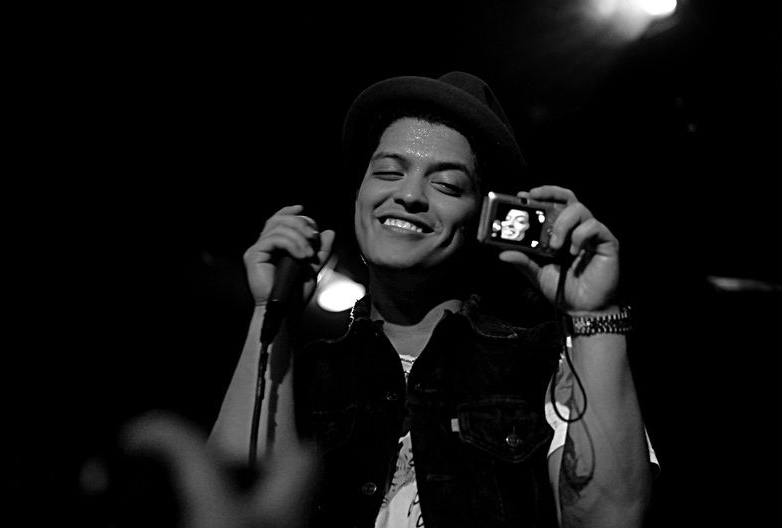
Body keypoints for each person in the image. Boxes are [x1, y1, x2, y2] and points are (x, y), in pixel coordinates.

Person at [208, 71, 656, 528]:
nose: (408, 195)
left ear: (483, 220)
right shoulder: (301, 374)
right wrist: (271, 315)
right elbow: (226, 511)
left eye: (446, 186)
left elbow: (612, 517)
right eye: (388, 172)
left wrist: (594, 314)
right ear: (359, 195)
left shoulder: (549, 364)